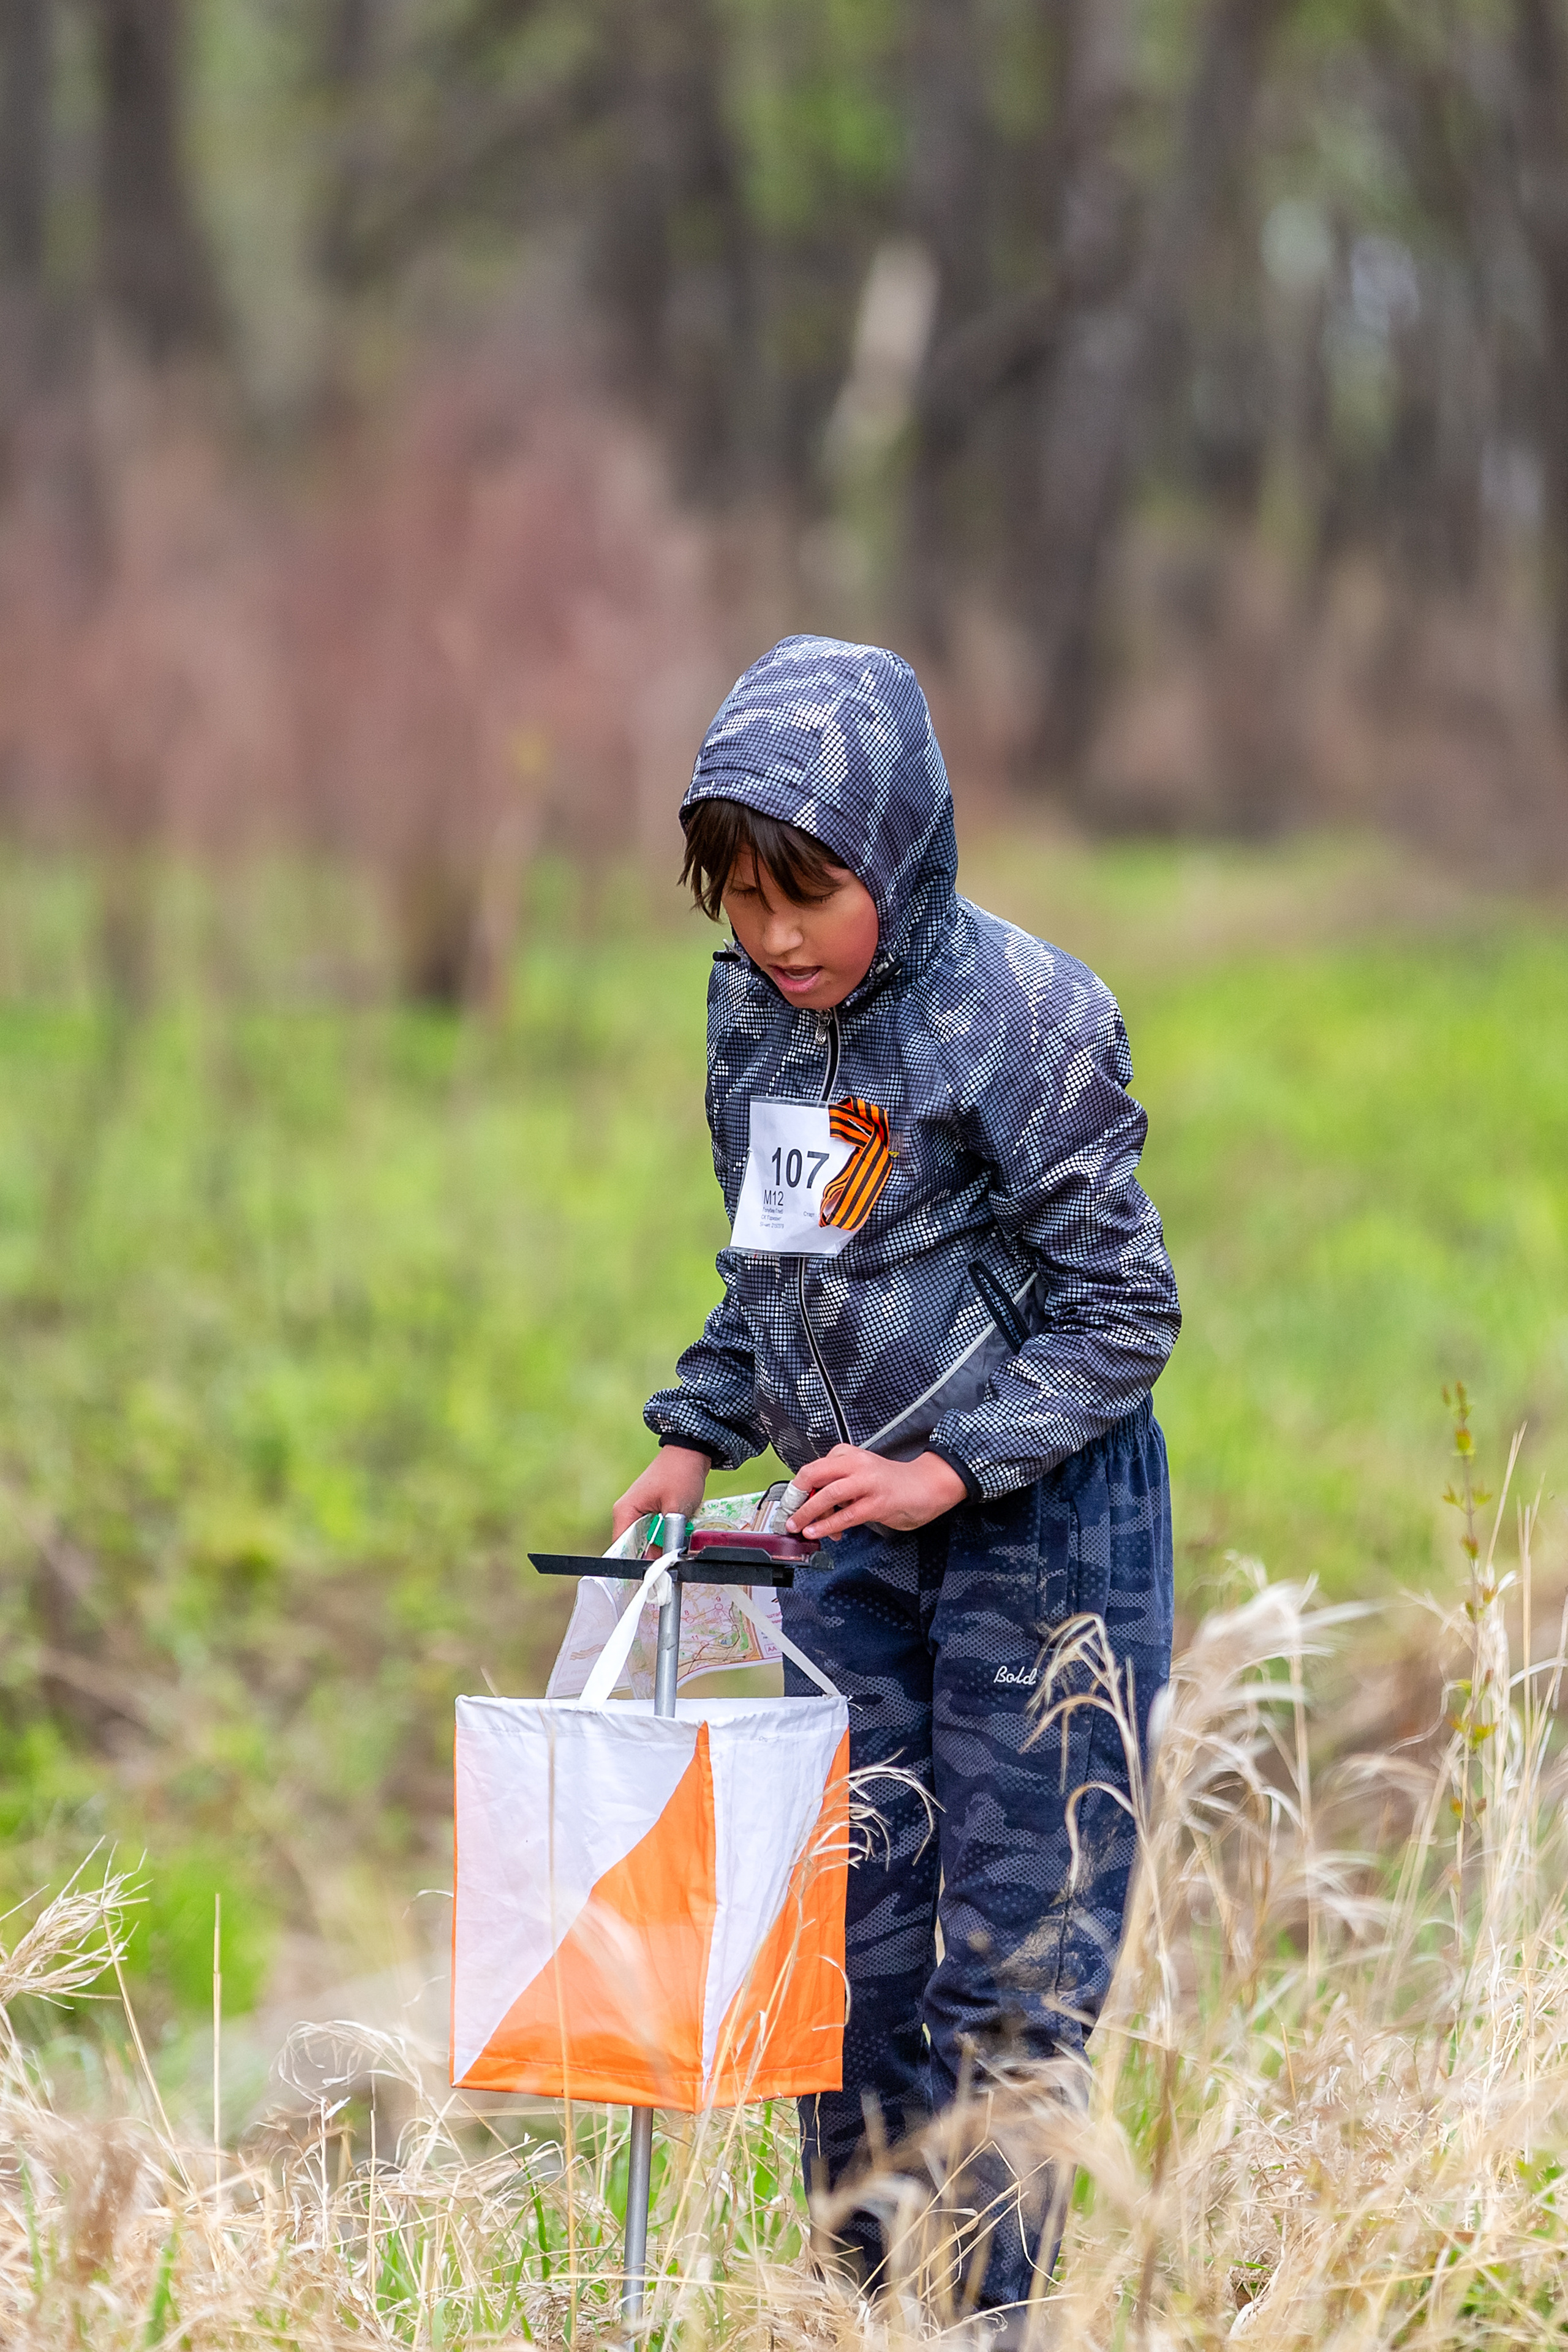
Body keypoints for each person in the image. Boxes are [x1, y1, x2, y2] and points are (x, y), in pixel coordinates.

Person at [612, 635, 1178, 2334]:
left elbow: (1124, 1313)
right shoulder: (755, 1025)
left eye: (811, 891)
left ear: (908, 849)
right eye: (740, 896)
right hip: (845, 1531)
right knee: (847, 1953)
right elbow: (781, 1262)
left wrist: (954, 1464)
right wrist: (699, 1427)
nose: (775, 935)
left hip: (1045, 1533)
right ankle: (862, 2305)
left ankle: (991, 2317)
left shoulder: (1026, 1021)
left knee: (1012, 1973)